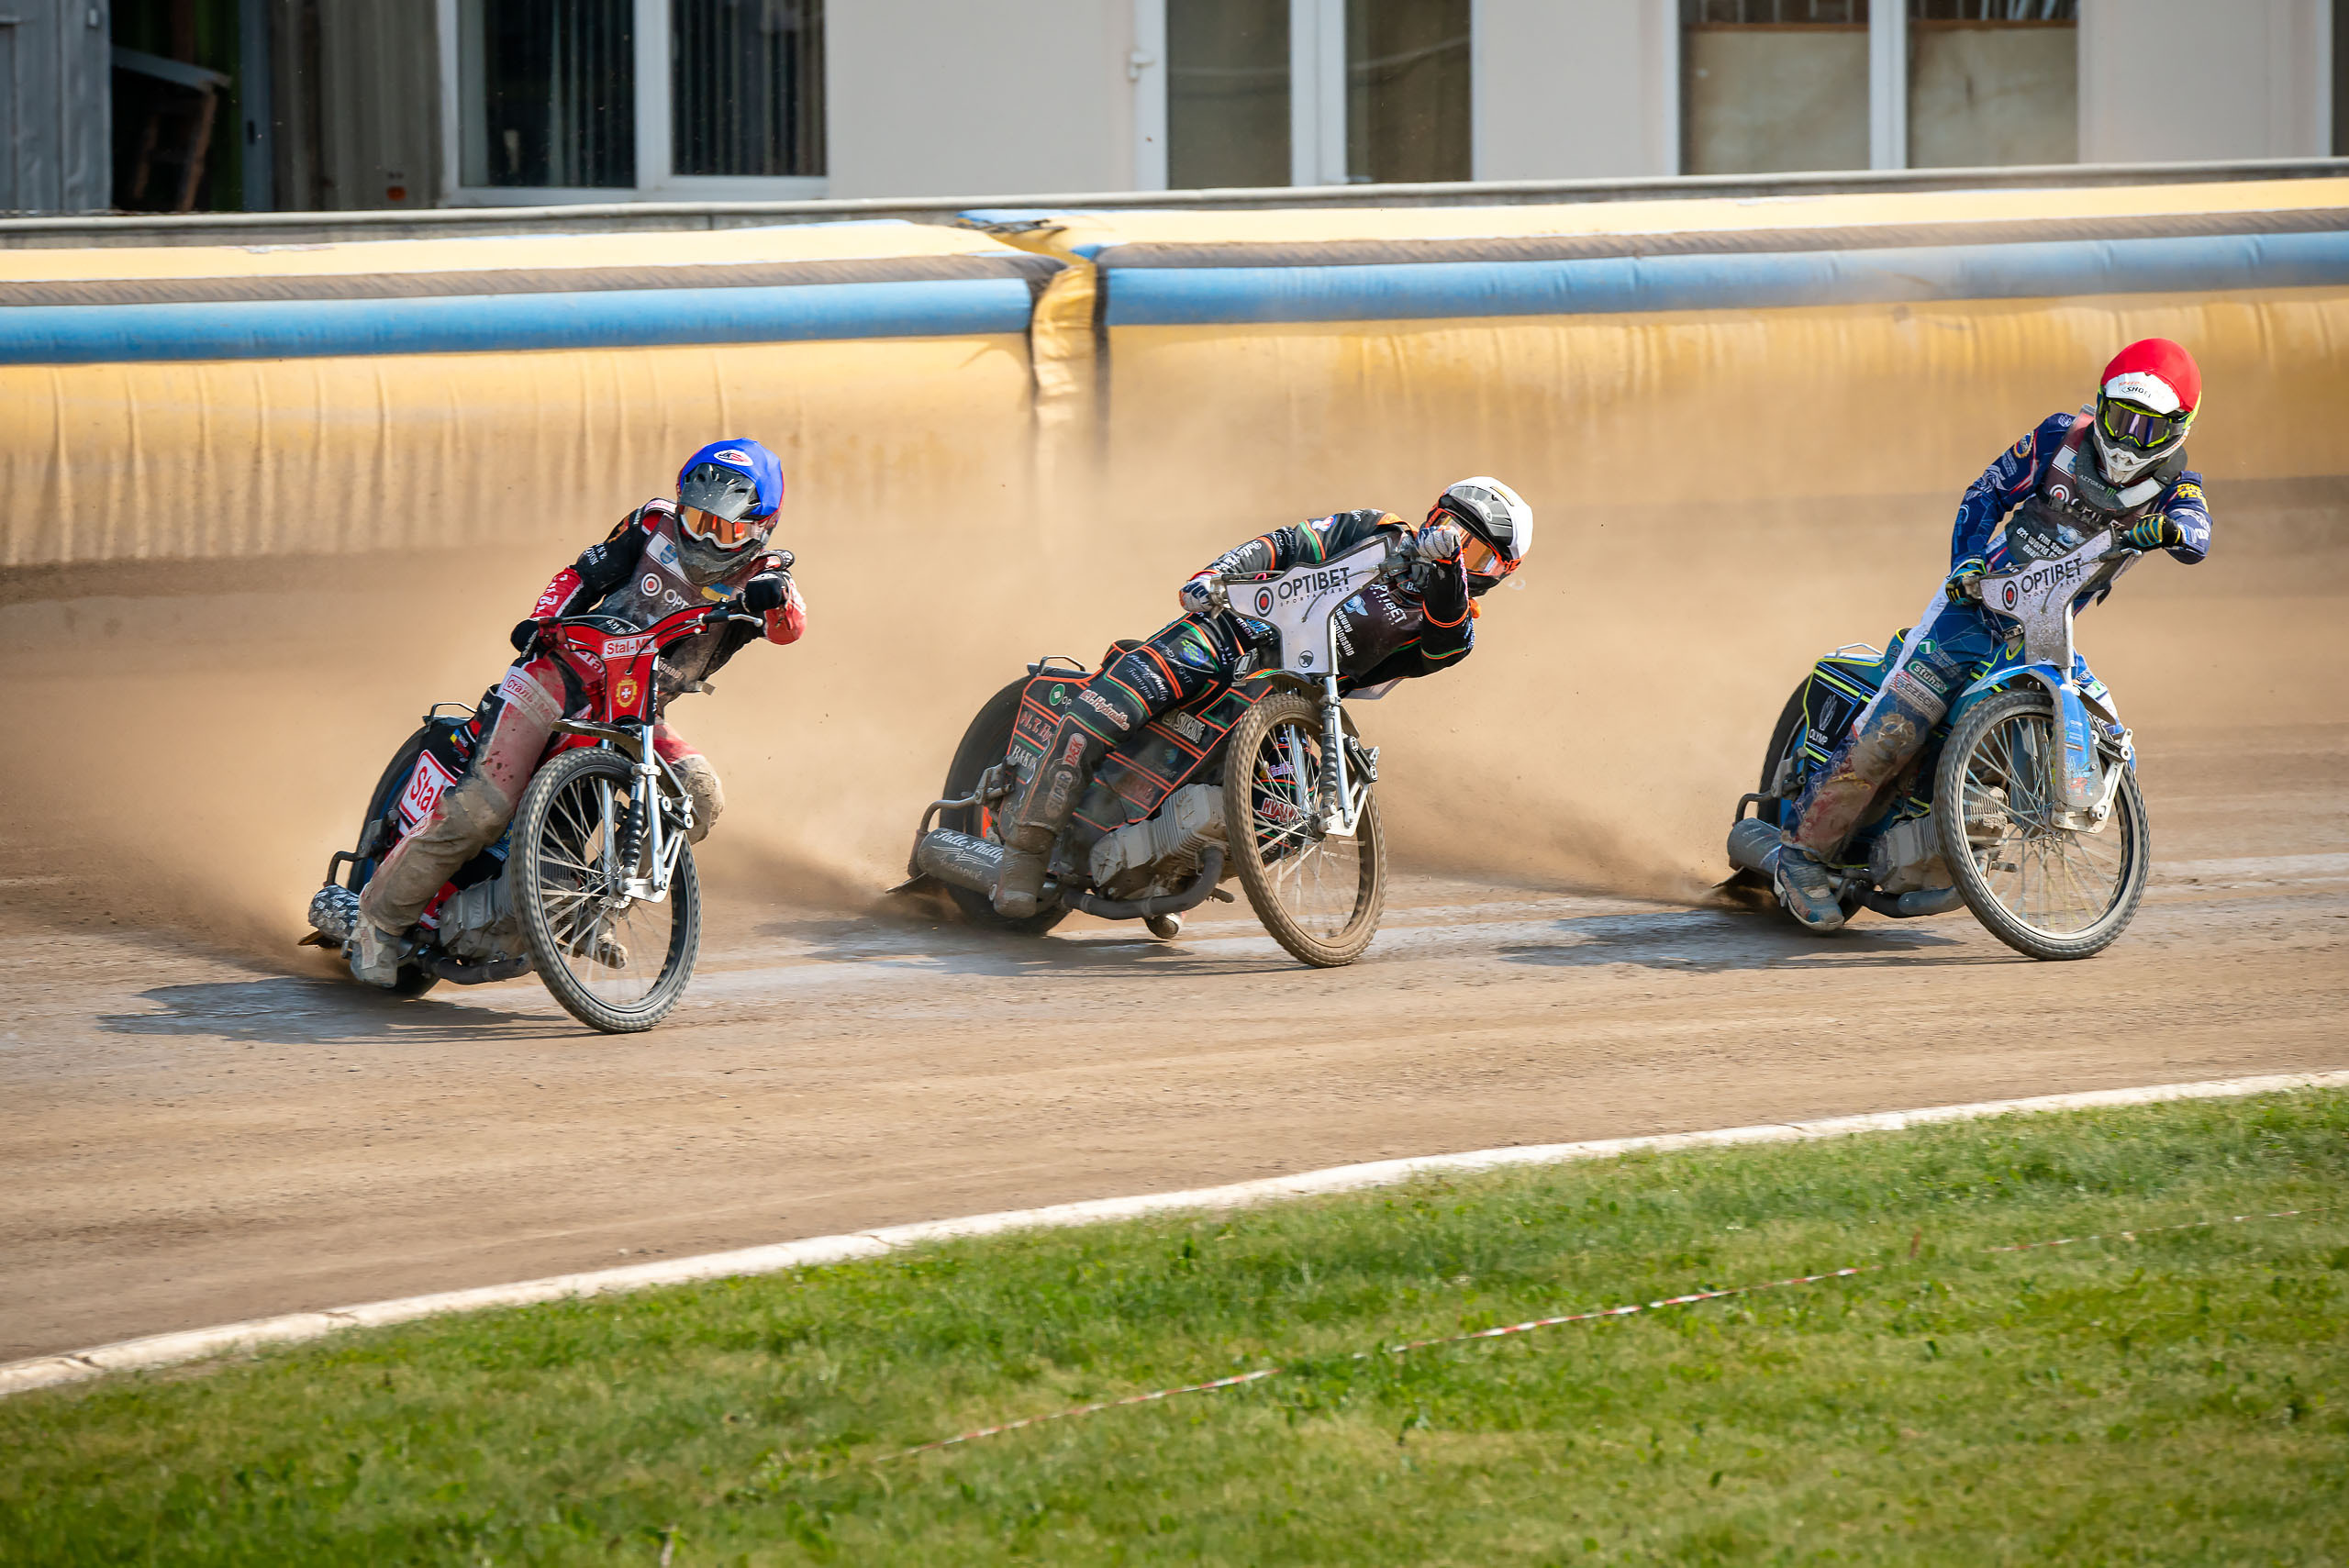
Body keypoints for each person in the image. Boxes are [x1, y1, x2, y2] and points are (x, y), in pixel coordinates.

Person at [1775, 339, 2212, 931]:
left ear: (2178, 428)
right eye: (2120, 419)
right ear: (2101, 406)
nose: (2128, 439)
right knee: (1894, 729)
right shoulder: (2060, 436)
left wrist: (2175, 530)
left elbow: (2197, 529)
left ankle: (1964, 824)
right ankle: (1801, 858)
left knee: (2111, 736)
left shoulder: (2176, 487)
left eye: (2147, 428)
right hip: (1975, 606)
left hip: (2046, 628)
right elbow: (1985, 494)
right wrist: (1967, 564)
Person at [350, 439, 807, 984]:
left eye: (725, 527)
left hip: (634, 710)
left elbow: (790, 628)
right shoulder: (651, 523)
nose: (703, 534)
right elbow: (578, 576)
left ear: (761, 527)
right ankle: (374, 925)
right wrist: (539, 622)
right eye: (695, 516)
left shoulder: (768, 574)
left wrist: (775, 598)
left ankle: (594, 910)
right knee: (482, 810)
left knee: (701, 796)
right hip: (557, 677)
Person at [992, 476, 1533, 917]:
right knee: (1109, 705)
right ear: (1431, 514)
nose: (1454, 547)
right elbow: (1289, 543)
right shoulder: (1376, 530)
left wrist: (1447, 571)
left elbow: (1447, 633)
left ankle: (1162, 872)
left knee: (1284, 817)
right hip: (1228, 634)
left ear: (1498, 574)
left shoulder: (1454, 630)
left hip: (1291, 704)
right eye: (1449, 530)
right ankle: (1024, 850)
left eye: (1475, 551)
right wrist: (1217, 575)